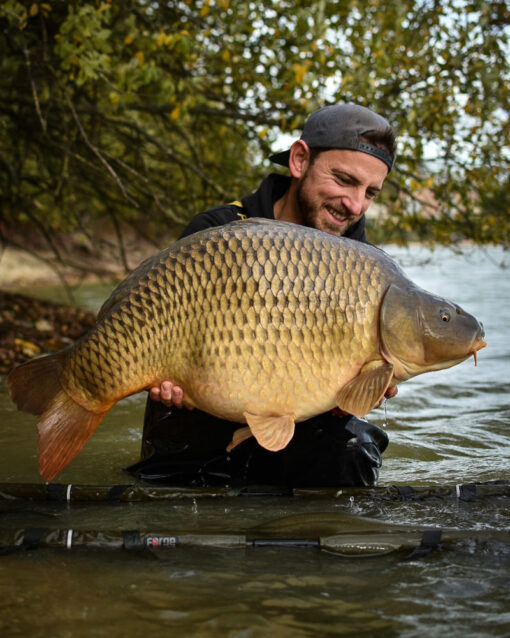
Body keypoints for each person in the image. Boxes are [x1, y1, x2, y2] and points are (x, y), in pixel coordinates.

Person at [127, 103, 398, 488]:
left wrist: (363, 387)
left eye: (370, 192)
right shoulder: (218, 230)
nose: (354, 205)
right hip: (201, 423)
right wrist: (167, 379)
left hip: (298, 429)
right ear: (300, 159)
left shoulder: (364, 266)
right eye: (343, 180)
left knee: (351, 451)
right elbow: (161, 330)